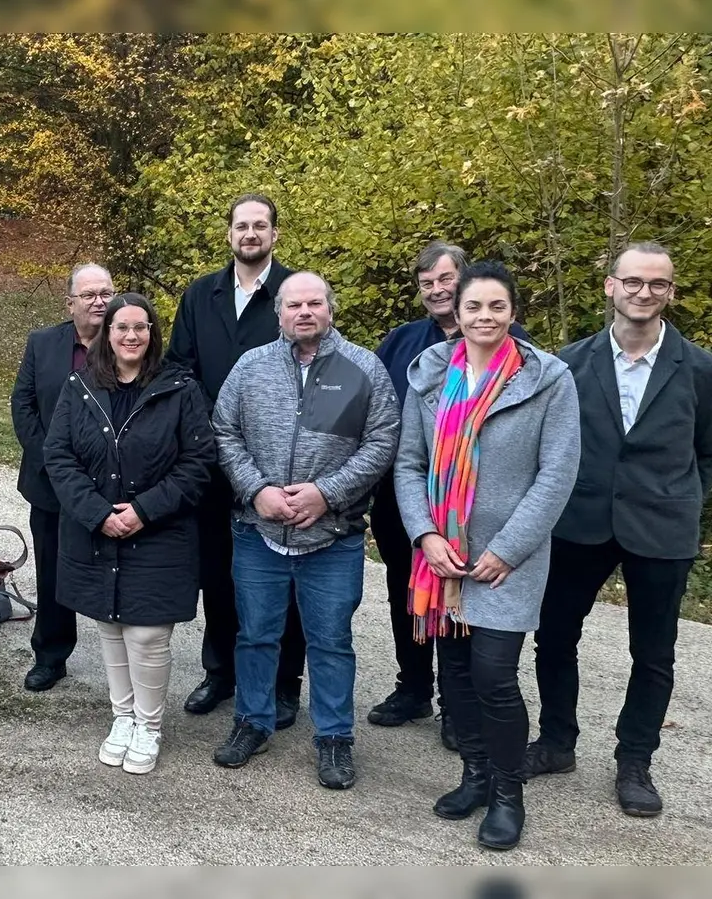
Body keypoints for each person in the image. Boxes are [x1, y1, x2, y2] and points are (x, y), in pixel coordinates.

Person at [394, 261, 579, 850]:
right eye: (474, 306)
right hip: (442, 558)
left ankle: (507, 794)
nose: (484, 317)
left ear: (513, 312)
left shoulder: (547, 379)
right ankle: (474, 776)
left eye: (497, 306)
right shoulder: (429, 374)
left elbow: (557, 474)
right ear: (457, 311)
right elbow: (408, 463)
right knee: (454, 673)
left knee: (494, 676)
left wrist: (508, 549)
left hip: (506, 563)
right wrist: (425, 535)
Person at [526, 241, 712, 818]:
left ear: (670, 292)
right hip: (579, 521)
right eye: (632, 281)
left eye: (656, 284)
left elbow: (707, 451)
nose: (643, 292)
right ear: (611, 286)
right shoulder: (568, 364)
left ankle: (635, 761)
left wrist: (684, 497)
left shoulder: (700, 369)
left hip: (662, 526)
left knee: (653, 654)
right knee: (555, 637)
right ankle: (557, 742)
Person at [210, 272, 398, 790]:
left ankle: (334, 737)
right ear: (279, 313)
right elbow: (224, 431)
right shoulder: (251, 367)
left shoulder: (363, 369)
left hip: (332, 536)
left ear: (330, 309)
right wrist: (256, 490)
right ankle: (253, 721)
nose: (304, 312)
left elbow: (383, 441)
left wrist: (327, 493)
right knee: (255, 635)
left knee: (331, 642)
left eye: (315, 303)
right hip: (259, 532)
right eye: (294, 305)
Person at [43, 293, 215, 774]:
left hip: (159, 531)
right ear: (108, 333)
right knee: (111, 626)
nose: (131, 335)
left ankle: (149, 724)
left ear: (153, 333)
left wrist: (143, 510)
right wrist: (98, 513)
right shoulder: (80, 386)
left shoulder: (180, 388)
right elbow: (59, 456)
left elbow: (198, 462)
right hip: (98, 529)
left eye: (141, 327)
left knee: (147, 634)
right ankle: (122, 717)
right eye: (122, 327)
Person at [369, 242, 530, 747]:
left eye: (445, 279)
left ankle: (458, 706)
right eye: (427, 283)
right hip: (407, 498)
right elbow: (375, 407)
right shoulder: (402, 342)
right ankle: (413, 687)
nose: (437, 289)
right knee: (407, 593)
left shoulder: (517, 349)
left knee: (466, 601)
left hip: (476, 505)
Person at [165, 193, 308, 728]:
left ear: (274, 234)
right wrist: (213, 425)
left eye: (260, 225)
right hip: (210, 460)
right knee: (218, 573)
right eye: (242, 225)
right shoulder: (201, 295)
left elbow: (308, 365)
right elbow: (180, 367)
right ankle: (220, 672)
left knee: (283, 576)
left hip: (277, 462)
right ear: (229, 234)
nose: (251, 234)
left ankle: (284, 684)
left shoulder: (293, 294)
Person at [10, 263, 112, 692]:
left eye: (105, 293)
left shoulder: (126, 342)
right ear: (70, 303)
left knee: (113, 570)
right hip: (50, 483)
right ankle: (51, 656)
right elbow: (23, 404)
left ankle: (125, 665)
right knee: (52, 569)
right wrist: (52, 461)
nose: (98, 302)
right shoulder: (43, 343)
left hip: (107, 484)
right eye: (88, 295)